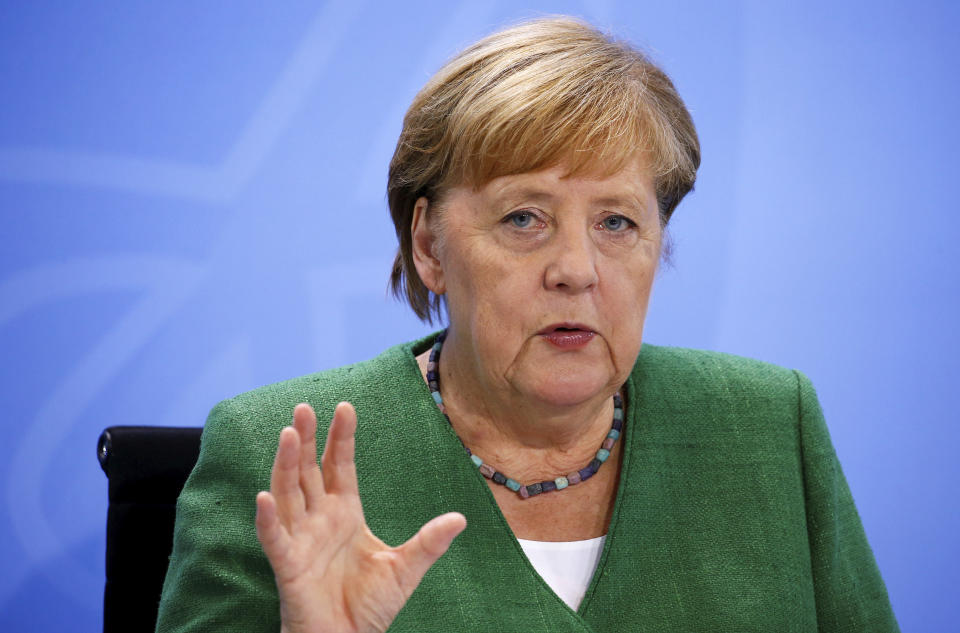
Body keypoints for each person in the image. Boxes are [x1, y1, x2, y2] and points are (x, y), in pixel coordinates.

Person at [155, 17, 899, 632]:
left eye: (616, 221)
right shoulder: (279, 456)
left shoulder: (769, 428)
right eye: (523, 217)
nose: (576, 268)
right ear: (427, 246)